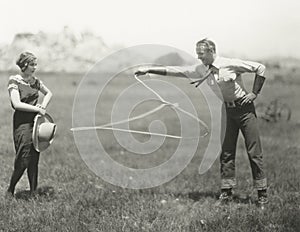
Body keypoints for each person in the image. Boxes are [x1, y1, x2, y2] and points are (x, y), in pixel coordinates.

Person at [135, 38, 268, 207]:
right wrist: (148, 69)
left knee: (254, 152)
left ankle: (262, 195)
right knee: (226, 153)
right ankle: (226, 194)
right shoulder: (201, 69)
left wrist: (254, 93)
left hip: (245, 110)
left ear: (212, 51)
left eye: (202, 54)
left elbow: (260, 68)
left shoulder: (230, 64)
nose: (199, 58)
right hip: (227, 111)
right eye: (197, 54)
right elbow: (176, 71)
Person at [6, 51, 53, 198]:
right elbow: (16, 104)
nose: (35, 67)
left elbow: (49, 93)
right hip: (22, 124)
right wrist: (37, 108)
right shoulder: (15, 81)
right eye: (32, 64)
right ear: (24, 65)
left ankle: (33, 192)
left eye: (35, 64)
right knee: (23, 158)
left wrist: (42, 106)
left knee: (34, 158)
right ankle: (10, 189)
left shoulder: (35, 81)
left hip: (36, 123)